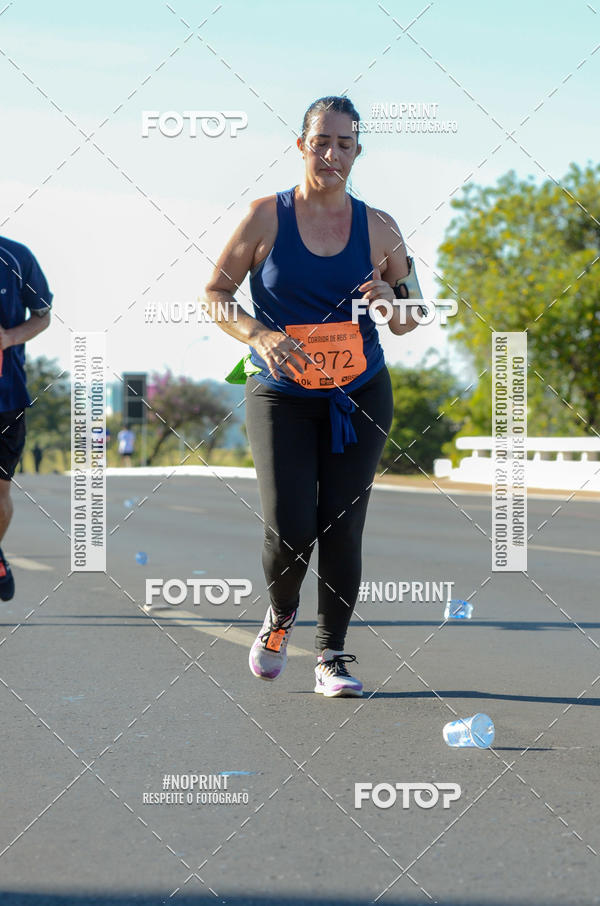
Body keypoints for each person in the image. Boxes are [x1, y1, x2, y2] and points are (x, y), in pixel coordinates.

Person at [205, 96, 424, 697]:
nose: (332, 154)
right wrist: (259, 334)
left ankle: (332, 655)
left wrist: (391, 301)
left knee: (343, 526)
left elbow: (411, 314)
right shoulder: (264, 217)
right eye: (321, 141)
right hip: (280, 393)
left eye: (345, 144)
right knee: (289, 524)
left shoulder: (380, 226)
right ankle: (279, 618)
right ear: (301, 145)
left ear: (358, 152)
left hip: (359, 392)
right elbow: (215, 293)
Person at [0, 236, 52, 600]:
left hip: (5, 397)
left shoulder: (15, 257)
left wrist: (8, 337)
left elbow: (42, 315)